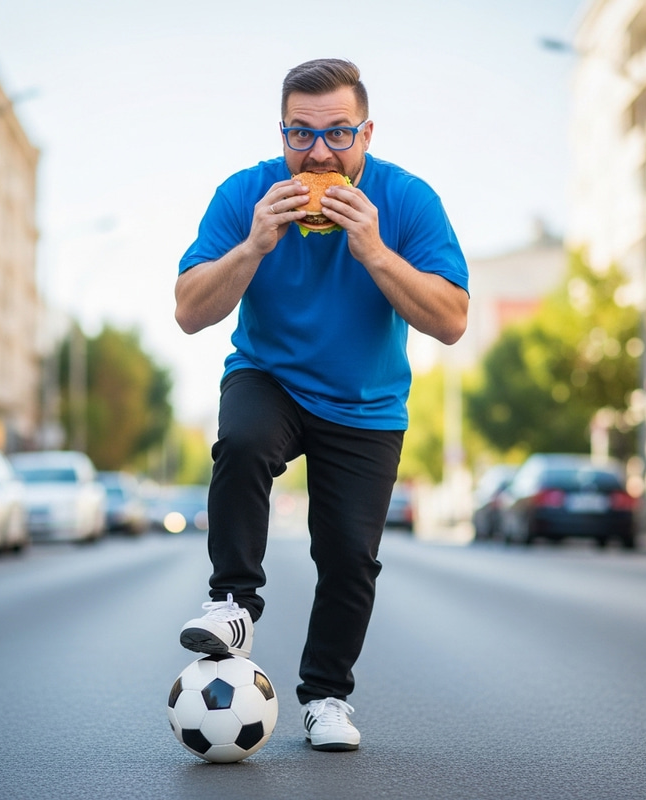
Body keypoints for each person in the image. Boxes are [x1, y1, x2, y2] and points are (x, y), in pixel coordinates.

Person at [174, 58, 469, 751]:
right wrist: (253, 245)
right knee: (242, 440)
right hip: (269, 374)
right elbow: (189, 312)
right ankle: (235, 603)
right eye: (300, 135)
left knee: (348, 560)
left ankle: (327, 697)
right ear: (282, 134)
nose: (319, 153)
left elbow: (452, 320)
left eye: (339, 133)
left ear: (367, 132)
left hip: (365, 403)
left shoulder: (407, 199)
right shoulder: (246, 194)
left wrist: (374, 250)